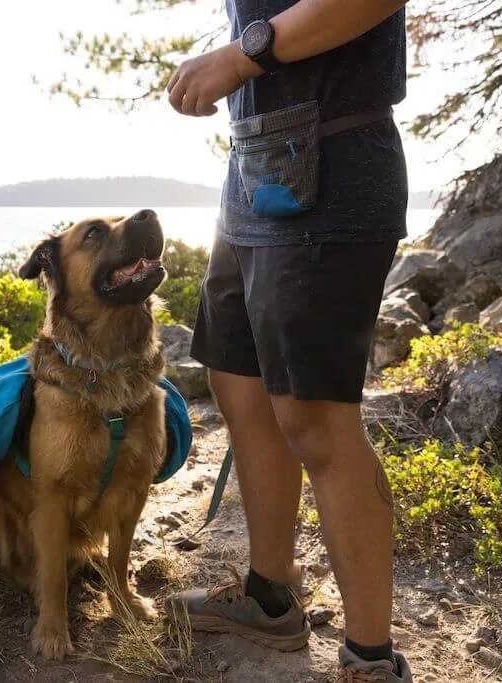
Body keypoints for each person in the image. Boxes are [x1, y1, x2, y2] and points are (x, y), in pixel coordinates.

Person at [163, 0, 414, 681]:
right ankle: (269, 594)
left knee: (314, 418)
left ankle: (370, 658)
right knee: (237, 381)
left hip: (336, 165)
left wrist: (238, 56)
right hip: (252, 174)